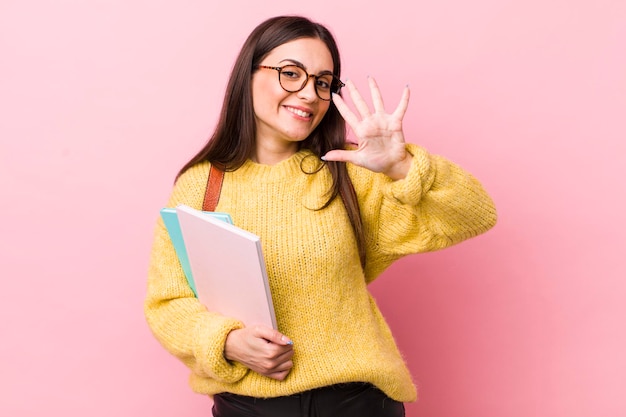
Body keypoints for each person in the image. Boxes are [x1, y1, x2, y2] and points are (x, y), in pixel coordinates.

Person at [145, 15, 497, 417]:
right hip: (249, 407)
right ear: (248, 74)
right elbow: (167, 302)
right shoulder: (200, 186)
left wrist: (401, 166)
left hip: (357, 402)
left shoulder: (349, 172)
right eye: (291, 73)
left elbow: (474, 214)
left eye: (323, 82)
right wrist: (224, 341)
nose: (310, 94)